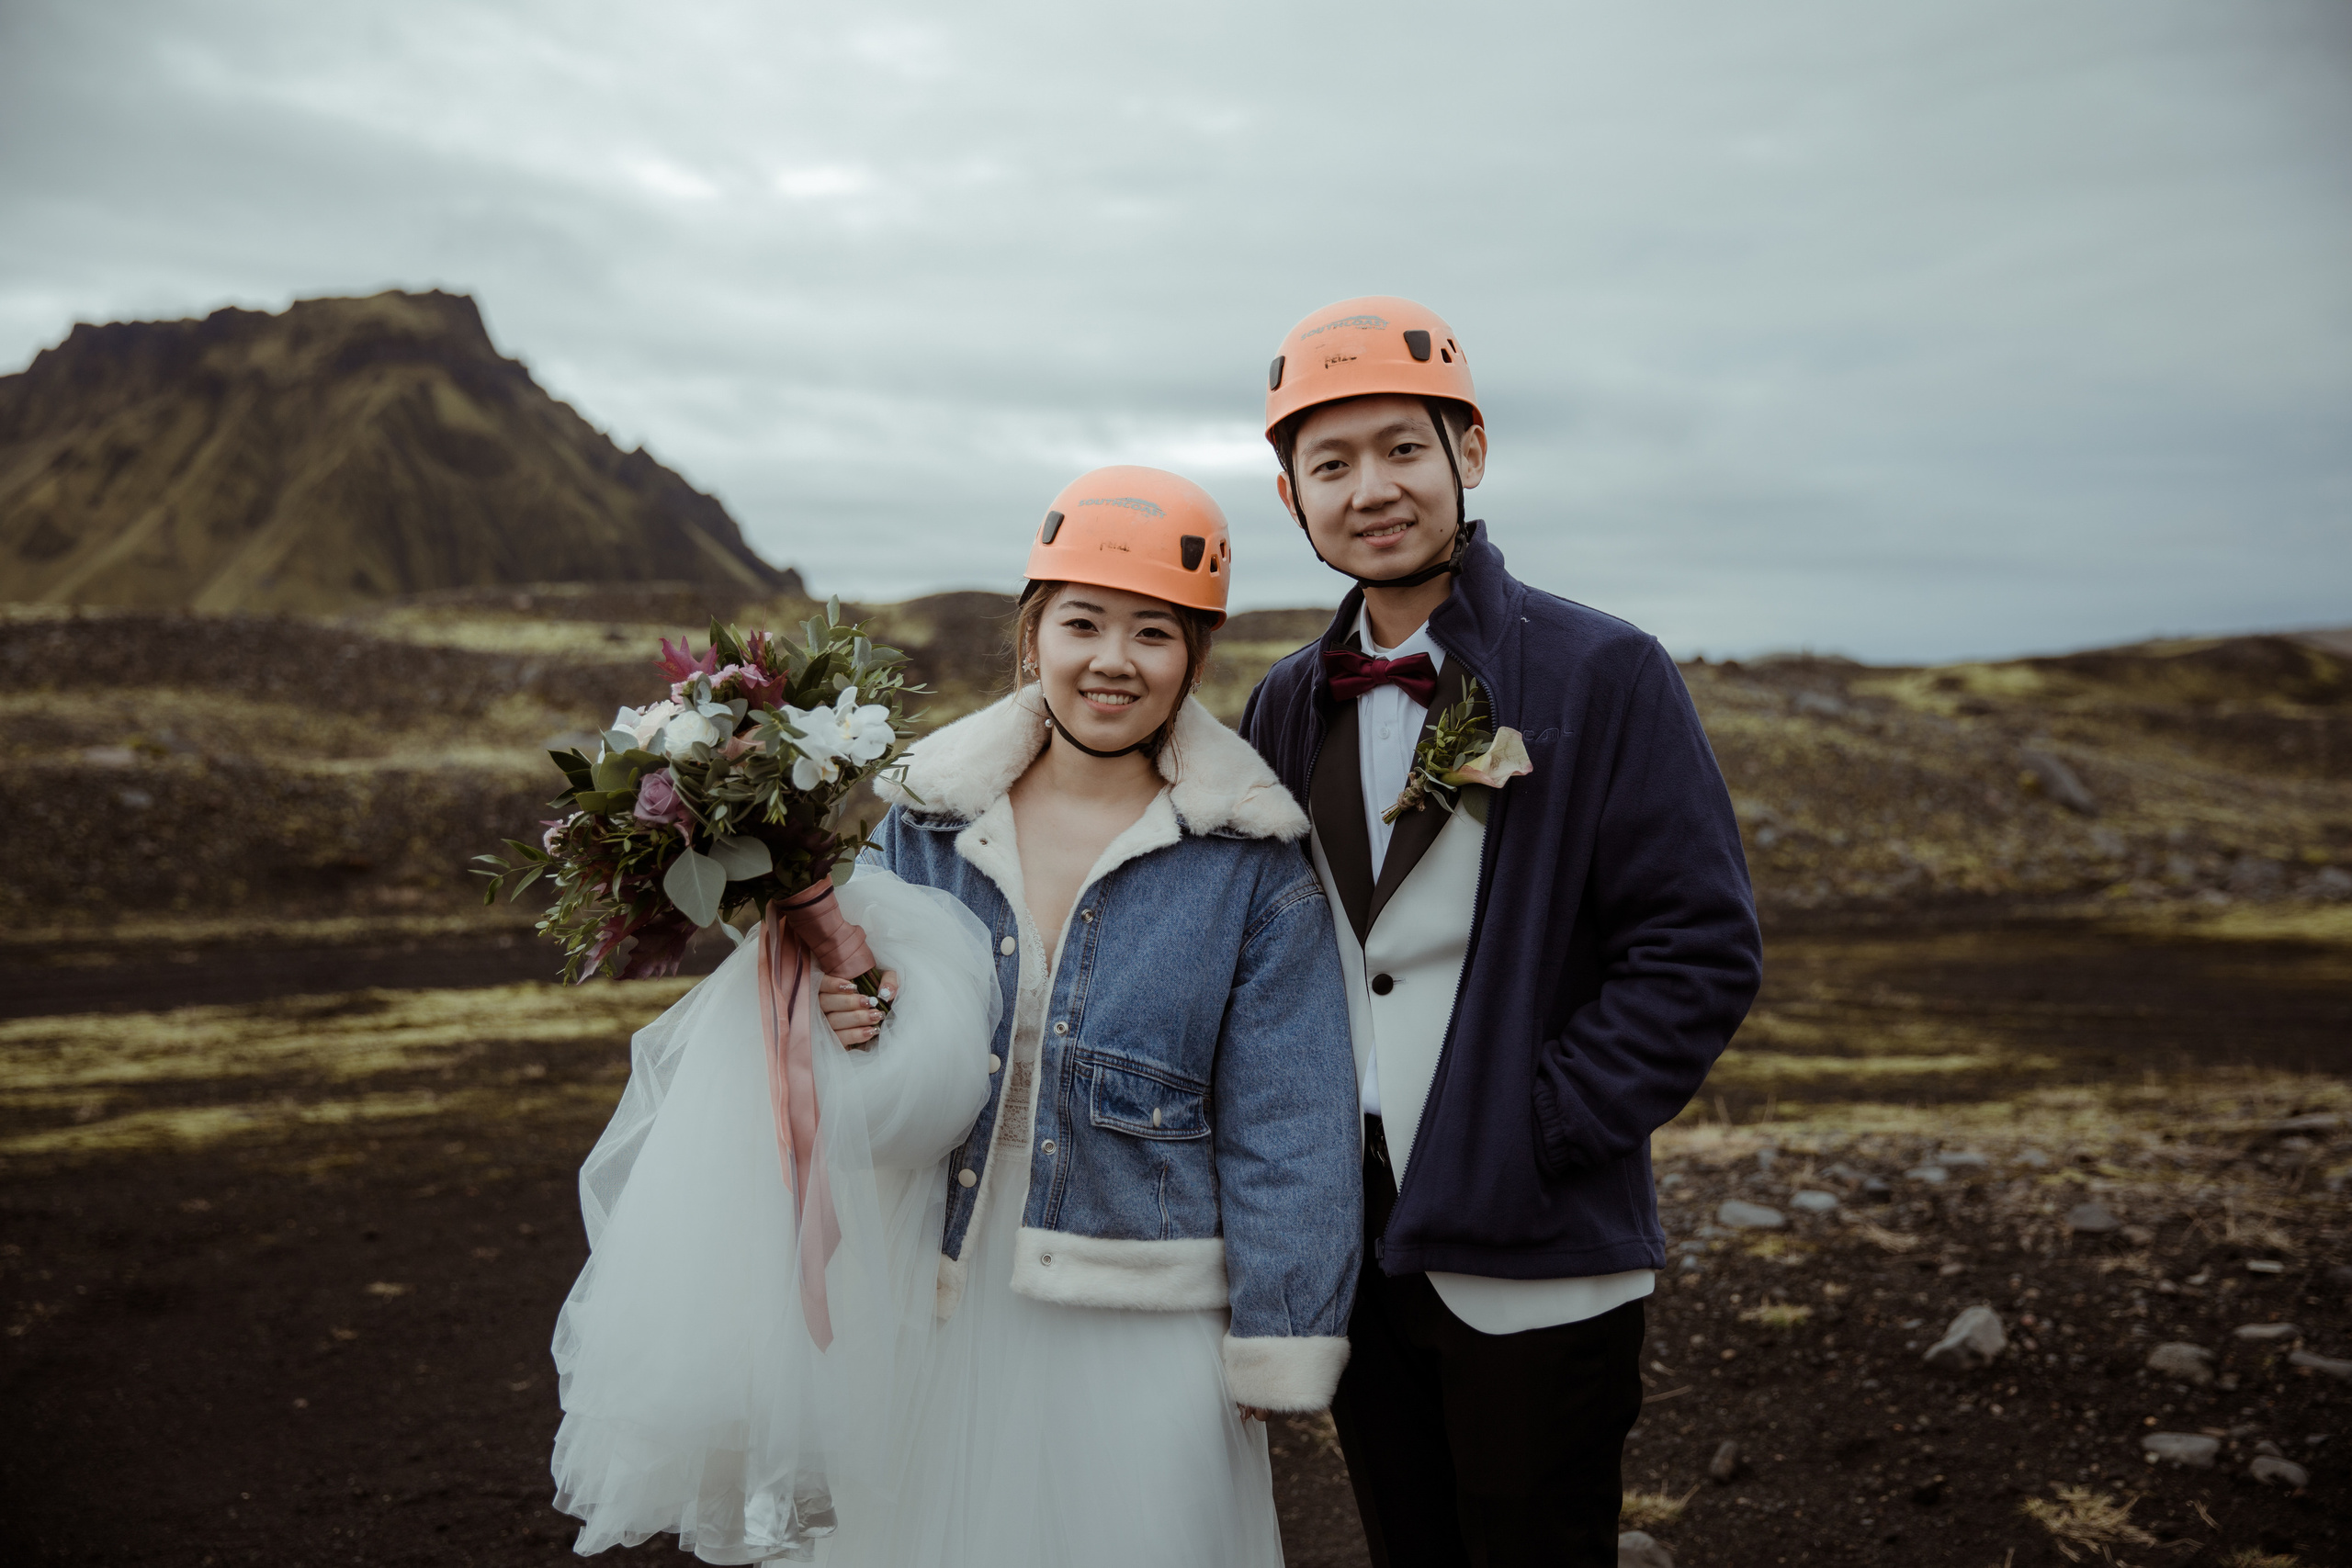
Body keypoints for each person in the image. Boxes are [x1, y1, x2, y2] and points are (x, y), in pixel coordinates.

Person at [1238, 297, 1765, 1568]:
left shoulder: (1605, 670)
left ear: (1468, 452)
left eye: (1402, 448)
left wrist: (1538, 1130)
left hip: (1537, 1244)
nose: (1372, 487)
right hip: (1354, 1256)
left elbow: (1697, 947)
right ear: (1291, 498)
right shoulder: (1280, 703)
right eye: (1332, 462)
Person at [818, 464, 1363, 1567]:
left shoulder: (1252, 863)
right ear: (1032, 638)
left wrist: (1280, 1327)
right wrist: (843, 1008)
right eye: (1083, 623)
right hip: (941, 1276)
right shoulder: (923, 822)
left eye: (1154, 633)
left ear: (1192, 661)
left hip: (1144, 1298)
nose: (1113, 661)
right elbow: (850, 1026)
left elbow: (1291, 1116)